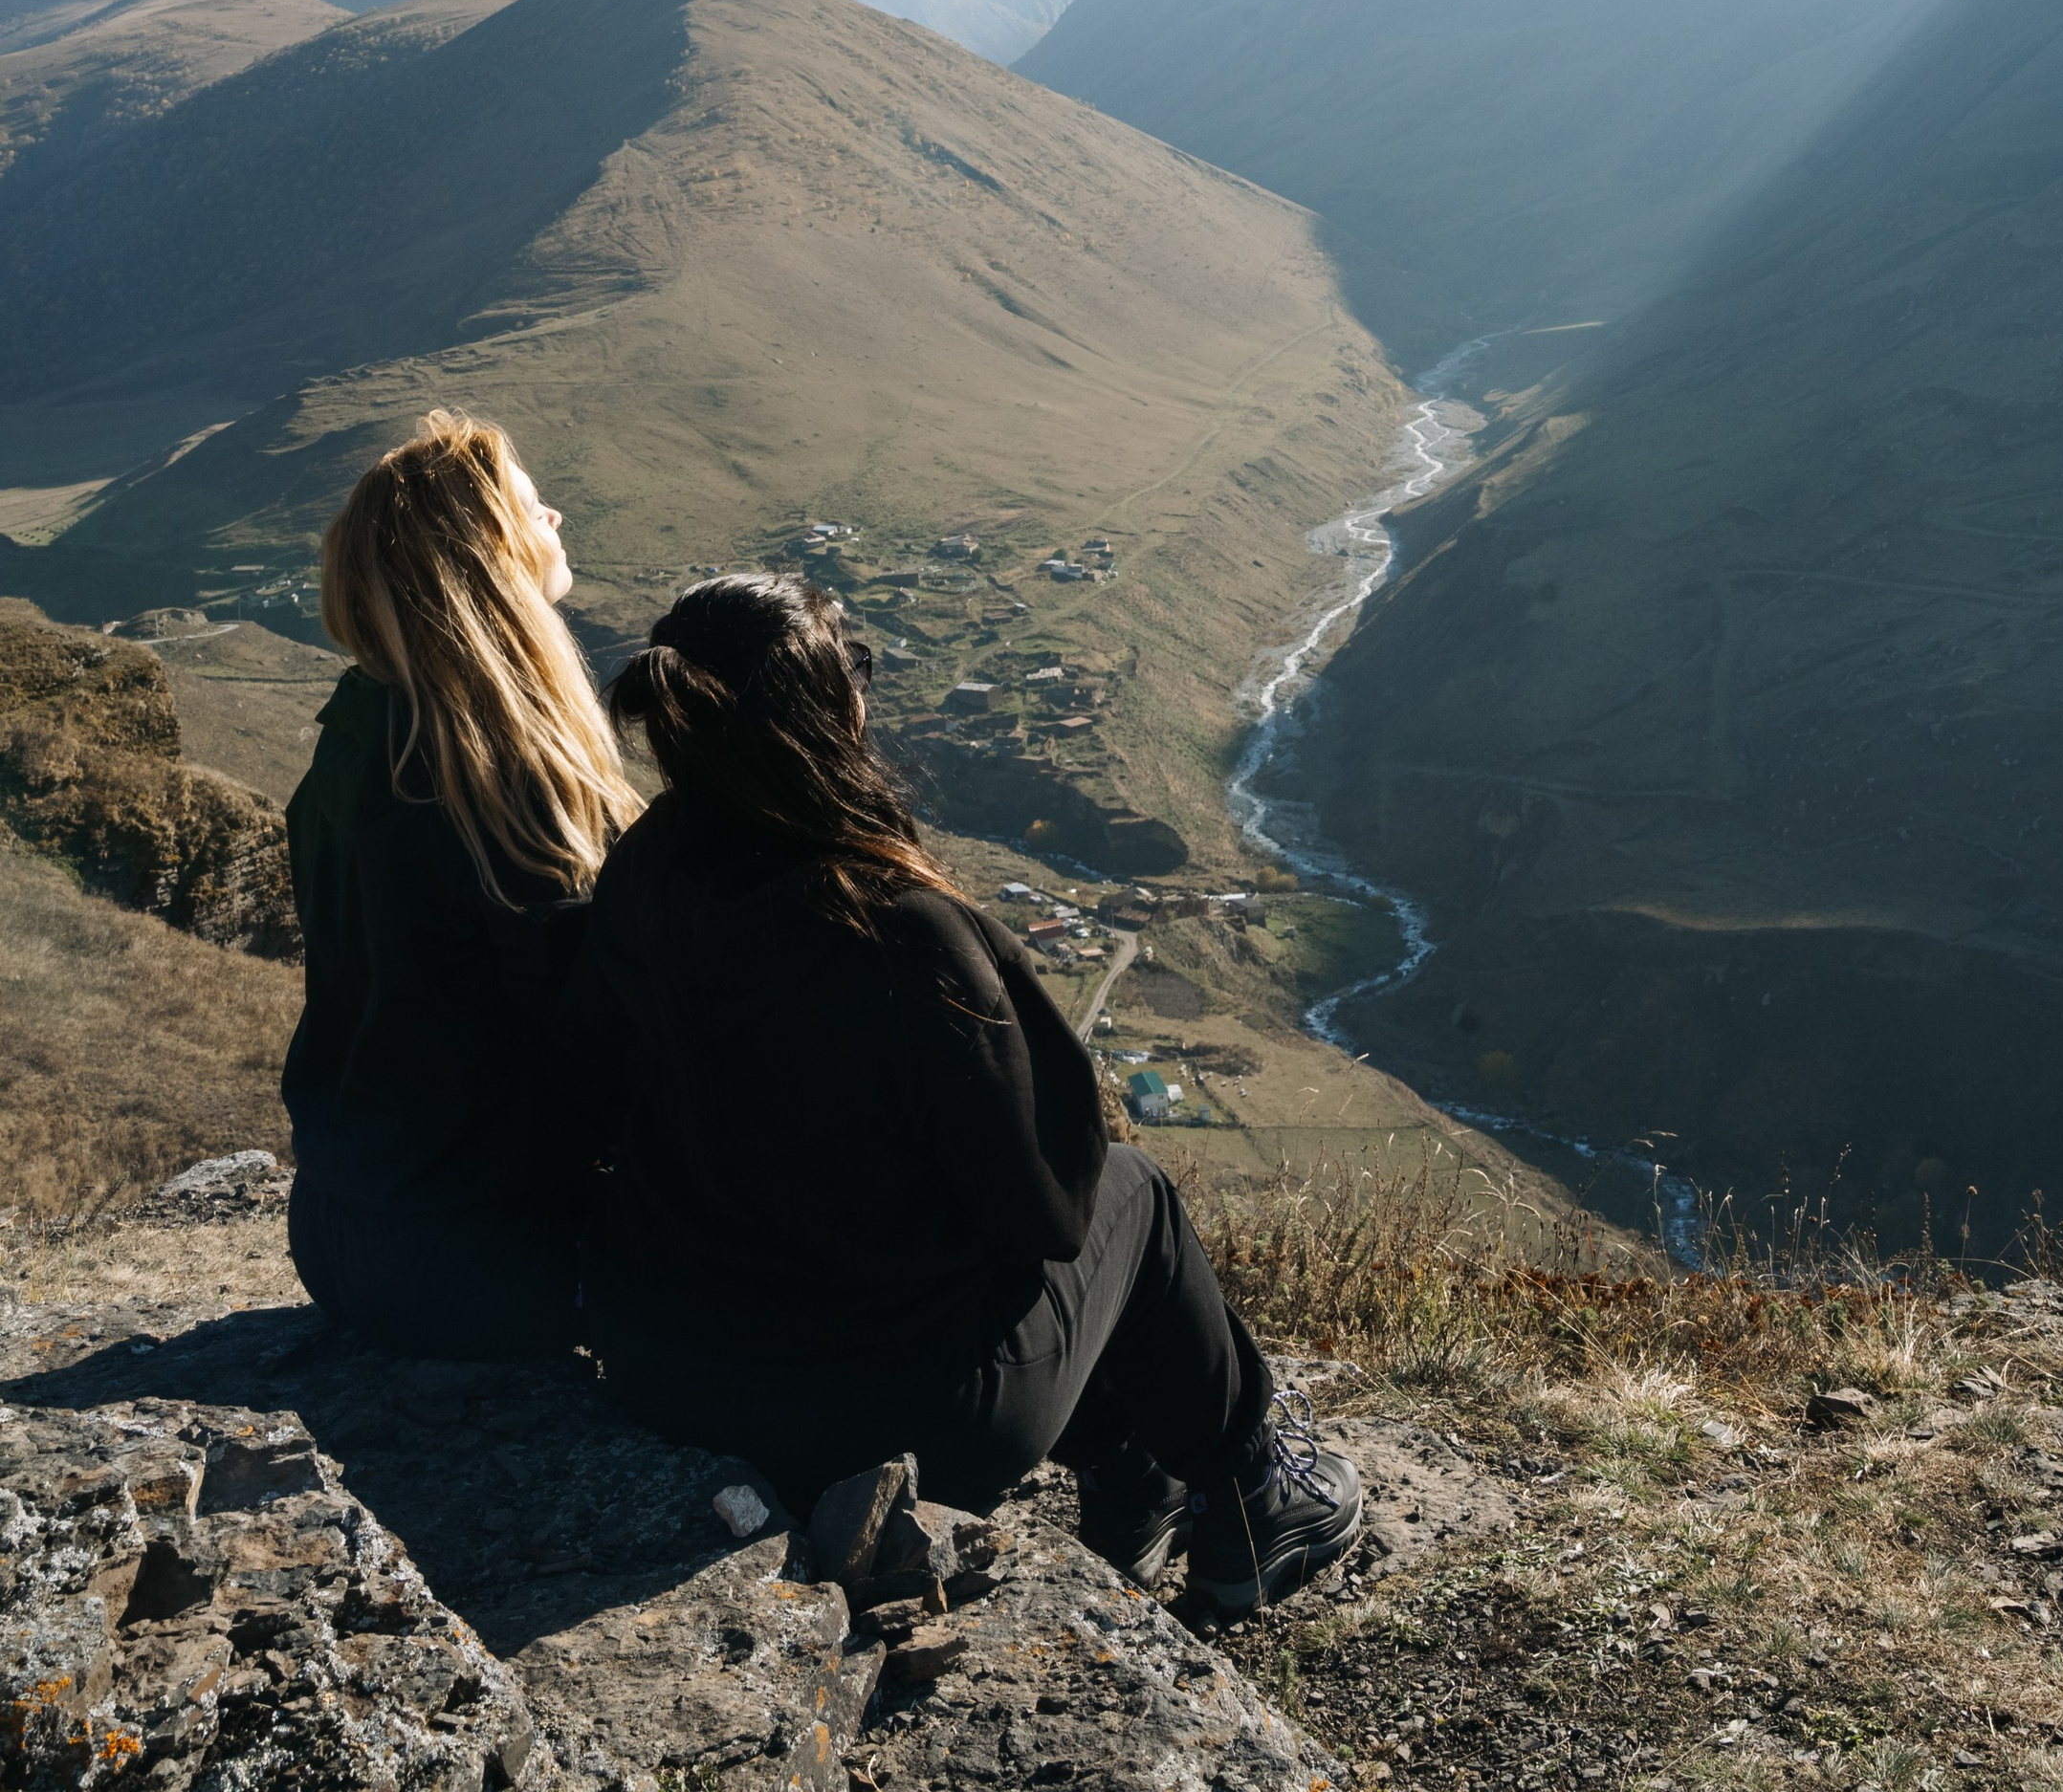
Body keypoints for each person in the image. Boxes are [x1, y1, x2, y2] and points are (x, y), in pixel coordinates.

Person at [583, 570, 1364, 1611]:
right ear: (829, 706)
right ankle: (1254, 1499)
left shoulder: (639, 876)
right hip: (882, 1424)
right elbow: (1045, 1205)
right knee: (1136, 1201)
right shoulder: (893, 926)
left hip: (671, 1371)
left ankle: (1137, 1488)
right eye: (853, 665)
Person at [281, 408, 642, 1358]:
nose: (555, 516)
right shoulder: (498, 783)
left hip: (341, 1227)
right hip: (486, 1249)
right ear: (485, 559)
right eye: (530, 508)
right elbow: (596, 1040)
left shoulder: (354, 747)